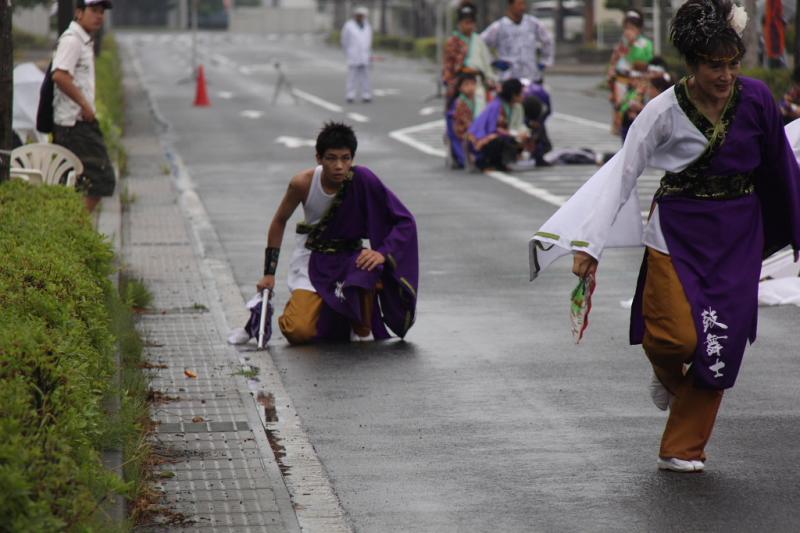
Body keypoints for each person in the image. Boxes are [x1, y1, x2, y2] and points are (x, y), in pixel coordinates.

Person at [529, 0, 800, 473]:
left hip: (739, 236)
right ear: (692, 65)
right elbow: (621, 176)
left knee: (722, 341)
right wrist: (588, 247)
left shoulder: (756, 99)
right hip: (676, 232)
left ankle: (682, 446)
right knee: (674, 338)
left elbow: (782, 166)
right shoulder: (661, 111)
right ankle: (667, 371)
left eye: (733, 63)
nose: (726, 75)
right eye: (715, 65)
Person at [256, 122, 419, 344]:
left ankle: (360, 318)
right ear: (319, 158)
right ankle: (324, 310)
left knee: (371, 271)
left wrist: (382, 253)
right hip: (312, 259)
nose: (339, 166)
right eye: (331, 158)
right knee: (298, 331)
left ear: (353, 158)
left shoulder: (362, 179)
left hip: (349, 258)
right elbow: (279, 221)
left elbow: (404, 221)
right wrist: (269, 273)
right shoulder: (302, 183)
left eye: (346, 158)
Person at [51, 0, 115, 213]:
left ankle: (74, 229)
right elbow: (60, 75)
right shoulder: (72, 41)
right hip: (75, 126)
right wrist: (85, 105)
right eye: (93, 11)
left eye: (102, 12)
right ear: (79, 12)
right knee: (100, 180)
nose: (99, 16)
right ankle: (75, 228)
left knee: (85, 184)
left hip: (78, 124)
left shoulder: (83, 40)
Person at [481, 0, 554, 84]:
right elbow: (481, 43)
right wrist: (493, 61)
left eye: (524, 4)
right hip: (509, 78)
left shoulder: (533, 23)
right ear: (510, 5)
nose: (522, 7)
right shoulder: (499, 26)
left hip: (531, 76)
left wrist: (545, 61)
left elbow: (548, 39)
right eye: (519, 4)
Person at [607, 9, 654, 134]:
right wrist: (612, 73)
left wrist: (633, 46)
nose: (628, 31)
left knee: (633, 112)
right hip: (621, 82)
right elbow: (614, 63)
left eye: (632, 27)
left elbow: (646, 63)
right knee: (621, 113)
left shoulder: (645, 44)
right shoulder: (622, 44)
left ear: (638, 29)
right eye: (626, 27)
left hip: (638, 82)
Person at [467, 78, 529, 171]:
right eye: (520, 93)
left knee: (517, 139)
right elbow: (494, 130)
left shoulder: (508, 106)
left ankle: (499, 163)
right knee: (503, 140)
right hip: (478, 140)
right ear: (513, 95)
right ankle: (483, 162)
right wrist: (514, 134)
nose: (523, 96)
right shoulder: (498, 106)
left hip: (487, 137)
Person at [442, 2, 495, 107]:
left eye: (471, 23)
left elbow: (486, 65)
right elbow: (448, 68)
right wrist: (455, 84)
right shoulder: (453, 42)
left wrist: (490, 81)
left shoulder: (479, 41)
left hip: (479, 83)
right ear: (460, 23)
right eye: (466, 22)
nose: (469, 26)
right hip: (459, 87)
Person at [618, 58, 673, 141]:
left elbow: (662, 114)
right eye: (649, 72)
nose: (650, 75)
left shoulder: (668, 89)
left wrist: (641, 109)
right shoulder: (644, 87)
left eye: (654, 72)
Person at [446, 72, 479, 169]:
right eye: (466, 84)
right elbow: (464, 122)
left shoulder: (478, 99)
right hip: (462, 131)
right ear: (460, 88)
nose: (471, 87)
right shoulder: (459, 103)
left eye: (473, 84)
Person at [341, 6, 373, 103]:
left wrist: (369, 53)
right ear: (355, 16)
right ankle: (350, 94)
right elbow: (344, 40)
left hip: (364, 55)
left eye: (362, 15)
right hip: (353, 54)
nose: (360, 17)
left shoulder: (367, 26)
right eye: (358, 15)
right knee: (352, 76)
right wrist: (348, 51)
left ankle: (366, 94)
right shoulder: (349, 26)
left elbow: (369, 41)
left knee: (365, 76)